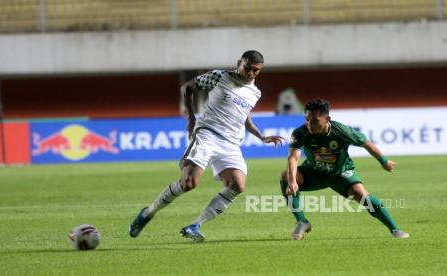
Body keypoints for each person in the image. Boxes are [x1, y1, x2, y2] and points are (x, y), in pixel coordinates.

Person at [129, 50, 284, 242]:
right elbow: (187, 88)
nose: (251, 73)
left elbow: (243, 115)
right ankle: (149, 212)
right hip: (208, 135)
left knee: (238, 185)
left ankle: (195, 226)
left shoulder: (255, 92)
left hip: (231, 143)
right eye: (248, 68)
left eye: (256, 70)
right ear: (239, 63)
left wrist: (261, 136)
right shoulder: (220, 76)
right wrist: (191, 118)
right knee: (189, 183)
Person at [280, 99, 409, 240]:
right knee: (285, 177)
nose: (310, 124)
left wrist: (384, 161)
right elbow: (293, 158)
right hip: (314, 173)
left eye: (315, 120)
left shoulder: (341, 131)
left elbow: (366, 143)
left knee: (364, 197)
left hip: (341, 173)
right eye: (307, 119)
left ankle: (395, 230)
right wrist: (292, 181)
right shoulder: (300, 132)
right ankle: (302, 222)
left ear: (327, 119)